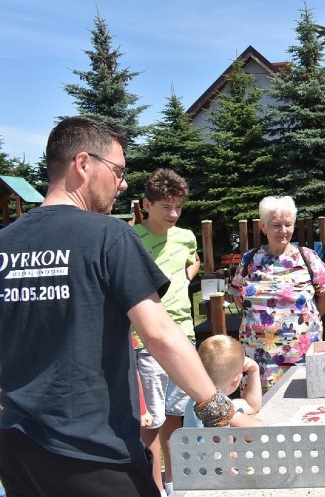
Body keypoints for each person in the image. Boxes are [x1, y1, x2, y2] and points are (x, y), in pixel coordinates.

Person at [0, 116, 229, 497]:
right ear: (83, 164)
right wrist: (219, 411)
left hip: (17, 451)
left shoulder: (4, 243)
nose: (122, 184)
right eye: (118, 170)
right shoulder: (110, 235)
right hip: (94, 452)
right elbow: (159, 333)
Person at [133, 168, 201, 496]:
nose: (173, 214)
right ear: (147, 203)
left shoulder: (186, 236)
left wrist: (187, 277)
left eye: (178, 207)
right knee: (153, 420)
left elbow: (194, 260)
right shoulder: (131, 237)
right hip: (145, 339)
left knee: (177, 415)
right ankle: (155, 487)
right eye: (166, 207)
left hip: (183, 335)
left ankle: (175, 482)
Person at [231, 195, 325, 392]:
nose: (284, 231)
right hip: (259, 355)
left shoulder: (308, 258)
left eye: (288, 224)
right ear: (263, 227)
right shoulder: (250, 259)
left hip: (300, 353)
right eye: (276, 225)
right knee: (259, 410)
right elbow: (238, 295)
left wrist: (303, 321)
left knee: (300, 406)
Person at [184, 335, 263, 428]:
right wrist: (259, 421)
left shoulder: (194, 400)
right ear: (237, 379)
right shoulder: (220, 409)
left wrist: (254, 371)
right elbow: (257, 429)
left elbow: (252, 406)